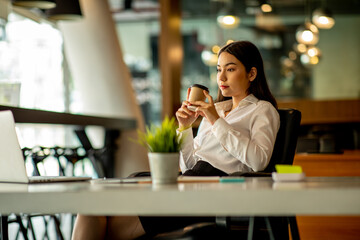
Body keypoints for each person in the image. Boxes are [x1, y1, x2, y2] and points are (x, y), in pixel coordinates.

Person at [71, 40, 280, 240]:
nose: (221, 78)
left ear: (252, 73)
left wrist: (216, 121)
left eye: (231, 69)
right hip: (187, 184)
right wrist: (185, 127)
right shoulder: (215, 110)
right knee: (90, 206)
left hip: (214, 195)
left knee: (103, 227)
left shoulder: (262, 110)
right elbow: (189, 165)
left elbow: (259, 160)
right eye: (218, 69)